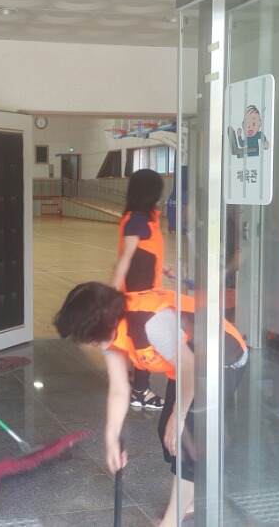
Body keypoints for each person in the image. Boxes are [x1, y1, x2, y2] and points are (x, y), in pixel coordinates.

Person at [54, 282, 247, 526]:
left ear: (104, 324)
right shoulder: (109, 329)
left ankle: (172, 521)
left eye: (91, 339)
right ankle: (190, 496)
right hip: (187, 364)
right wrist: (111, 439)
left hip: (222, 357)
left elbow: (190, 372)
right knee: (167, 432)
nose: (91, 345)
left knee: (186, 438)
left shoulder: (150, 322)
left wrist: (179, 417)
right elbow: (119, 389)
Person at [110, 169, 174, 410]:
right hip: (138, 294)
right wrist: (111, 295)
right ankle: (140, 392)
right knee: (142, 341)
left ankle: (136, 386)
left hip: (148, 291)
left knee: (140, 338)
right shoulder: (137, 219)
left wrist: (164, 268)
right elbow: (126, 258)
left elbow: (144, 252)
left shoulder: (145, 218)